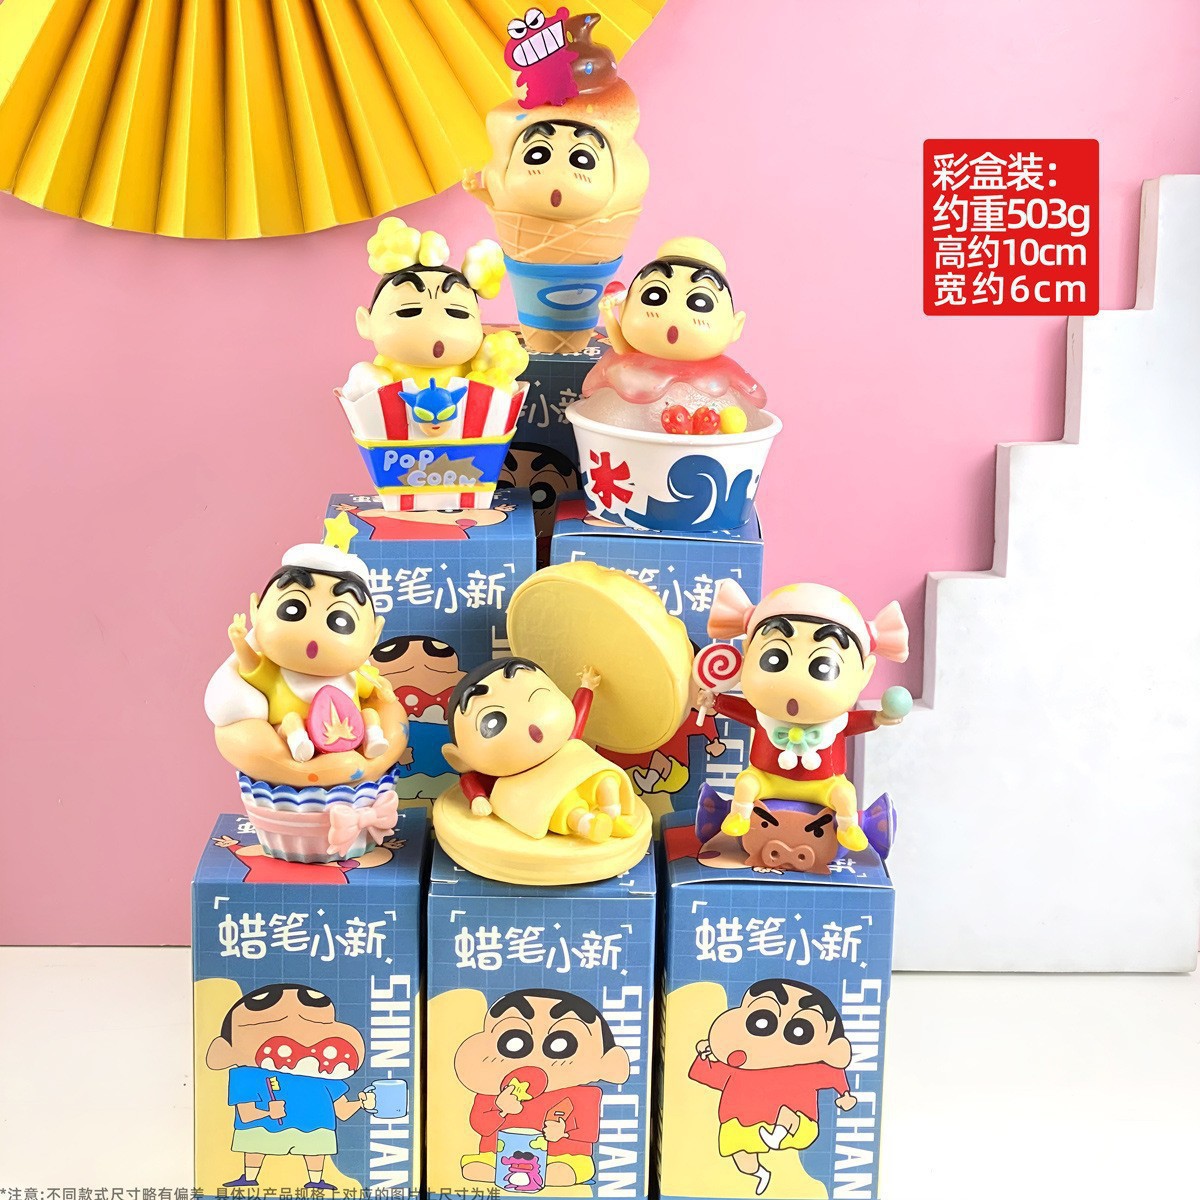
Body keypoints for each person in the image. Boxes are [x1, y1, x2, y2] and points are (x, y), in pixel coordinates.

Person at [700, 580, 909, 850]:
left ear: (864, 673)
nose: (795, 683)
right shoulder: (765, 716)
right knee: (746, 783)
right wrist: (716, 701)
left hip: (823, 785)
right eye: (774, 659)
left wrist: (880, 717)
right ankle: (739, 815)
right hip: (767, 778)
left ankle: (849, 828)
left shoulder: (836, 723)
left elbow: (858, 722)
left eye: (824, 666)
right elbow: (742, 711)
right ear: (747, 653)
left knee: (845, 794)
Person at [226, 543, 391, 763]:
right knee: (290, 721)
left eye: (341, 621)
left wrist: (385, 690)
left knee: (370, 715)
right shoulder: (276, 673)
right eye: (292, 610)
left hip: (349, 738)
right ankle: (298, 742)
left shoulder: (354, 675)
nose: (315, 634)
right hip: (292, 739)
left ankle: (373, 739)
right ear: (256, 611)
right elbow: (251, 666)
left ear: (374, 633)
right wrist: (239, 641)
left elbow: (376, 685)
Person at [689, 979, 858, 1196]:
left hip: (798, 1127)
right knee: (742, 1159)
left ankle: (777, 1135)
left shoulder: (804, 1069)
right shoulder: (738, 1070)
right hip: (741, 1124)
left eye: (800, 1031)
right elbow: (706, 1074)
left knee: (786, 1113)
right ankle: (760, 1173)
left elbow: (835, 1073)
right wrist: (705, 1055)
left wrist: (845, 1095)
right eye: (761, 1020)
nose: (775, 1038)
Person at [441, 657, 637, 843]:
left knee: (606, 780)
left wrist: (586, 687)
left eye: (539, 697)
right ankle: (589, 826)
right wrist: (477, 798)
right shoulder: (497, 779)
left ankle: (614, 818)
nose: (529, 724)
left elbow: (578, 715)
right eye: (493, 723)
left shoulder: (567, 742)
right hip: (534, 794)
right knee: (566, 807)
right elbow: (470, 780)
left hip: (574, 771)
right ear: (459, 759)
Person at [205, 985, 377, 1190]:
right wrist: (269, 1112)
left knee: (315, 1151)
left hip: (315, 1129)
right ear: (227, 1051)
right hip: (263, 1130)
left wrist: (362, 1103)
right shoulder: (247, 1075)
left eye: (317, 1025)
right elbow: (246, 1114)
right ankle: (250, 1177)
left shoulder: (324, 1075)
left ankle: (316, 1181)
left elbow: (343, 1111)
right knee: (254, 1144)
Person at [454, 988, 631, 1186]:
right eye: (513, 1041)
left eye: (562, 1044)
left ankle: (548, 1174)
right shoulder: (492, 1094)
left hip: (564, 1157)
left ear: (607, 1061)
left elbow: (589, 1131)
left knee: (565, 1170)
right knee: (476, 1167)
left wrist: (563, 1131)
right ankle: (502, 1172)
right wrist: (500, 1109)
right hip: (500, 1155)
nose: (535, 1057)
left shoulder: (584, 1095)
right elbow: (480, 1126)